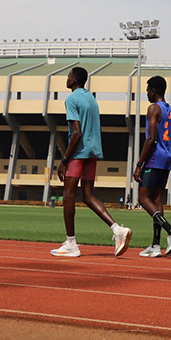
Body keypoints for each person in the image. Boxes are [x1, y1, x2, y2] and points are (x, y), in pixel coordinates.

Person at [50, 67, 132, 258]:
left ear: (74, 80)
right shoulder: (91, 99)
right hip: (93, 152)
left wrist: (64, 159)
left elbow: (76, 133)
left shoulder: (72, 99)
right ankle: (117, 230)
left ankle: (71, 243)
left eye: (69, 76)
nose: (67, 79)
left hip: (79, 152)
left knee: (68, 195)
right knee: (87, 195)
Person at [133, 76, 171, 257]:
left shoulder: (153, 108)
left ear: (153, 90)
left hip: (154, 159)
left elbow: (151, 138)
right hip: (167, 158)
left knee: (142, 197)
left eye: (148, 90)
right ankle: (155, 245)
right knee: (156, 200)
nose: (146, 93)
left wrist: (139, 164)